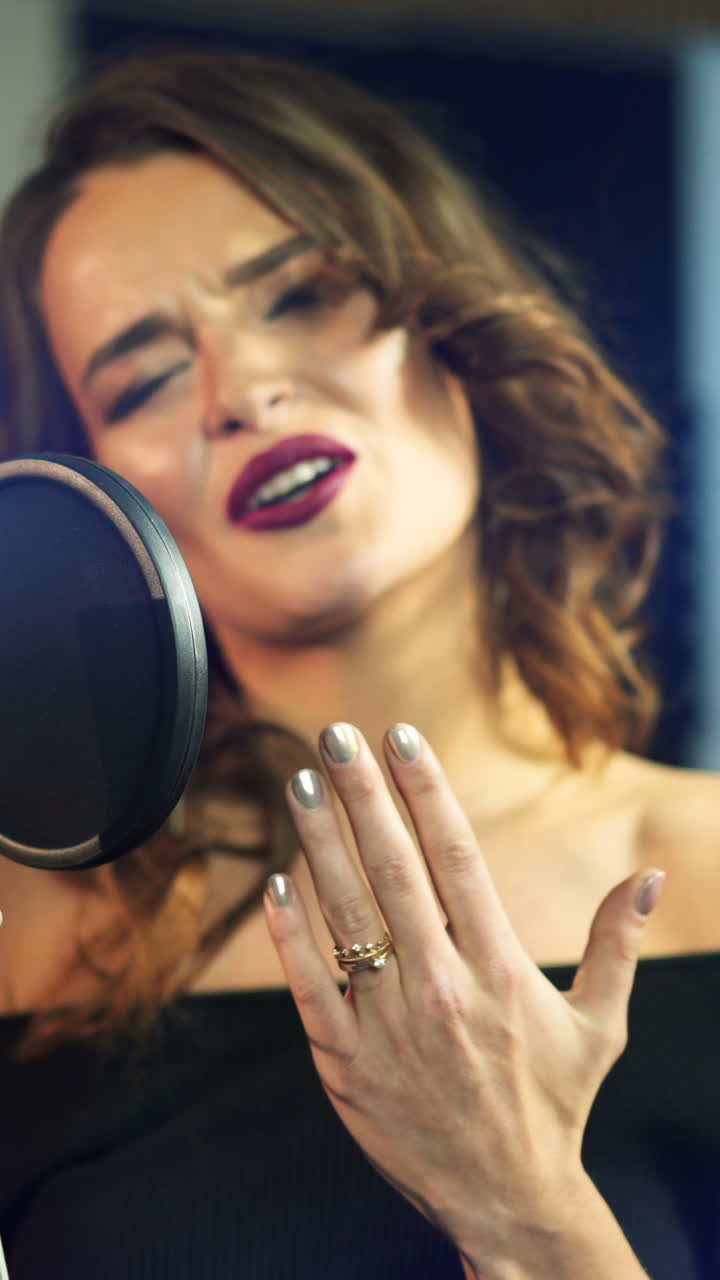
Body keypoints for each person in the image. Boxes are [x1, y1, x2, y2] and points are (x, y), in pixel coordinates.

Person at [0, 44, 718, 1280]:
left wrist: (525, 1206)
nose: (243, 391)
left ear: (454, 327)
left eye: (298, 296)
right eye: (150, 375)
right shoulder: (35, 932)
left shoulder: (705, 869)